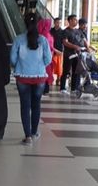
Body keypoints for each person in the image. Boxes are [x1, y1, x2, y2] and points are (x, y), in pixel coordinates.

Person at [11, 13, 52, 145]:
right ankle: (34, 133)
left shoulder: (18, 40)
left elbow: (12, 59)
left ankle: (27, 136)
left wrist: (20, 65)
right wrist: (38, 66)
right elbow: (48, 59)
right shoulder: (43, 40)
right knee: (36, 105)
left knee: (25, 106)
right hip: (39, 77)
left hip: (22, 77)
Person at [60, 15, 79, 94]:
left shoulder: (77, 31)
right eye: (75, 20)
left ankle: (73, 88)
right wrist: (74, 46)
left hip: (76, 54)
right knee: (66, 71)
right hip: (68, 54)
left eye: (76, 19)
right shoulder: (65, 31)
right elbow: (65, 42)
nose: (76, 21)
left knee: (76, 71)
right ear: (70, 21)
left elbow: (80, 41)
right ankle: (62, 88)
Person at [38, 18, 55, 96]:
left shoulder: (40, 34)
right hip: (46, 58)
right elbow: (49, 47)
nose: (50, 26)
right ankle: (44, 89)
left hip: (42, 58)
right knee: (46, 73)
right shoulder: (46, 35)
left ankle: (43, 89)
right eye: (49, 24)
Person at [50, 18, 64, 88]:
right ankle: (50, 79)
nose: (58, 24)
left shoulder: (62, 32)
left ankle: (58, 80)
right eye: (57, 22)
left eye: (59, 23)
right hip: (51, 51)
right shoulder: (50, 31)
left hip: (59, 50)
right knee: (51, 66)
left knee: (59, 67)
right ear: (54, 23)